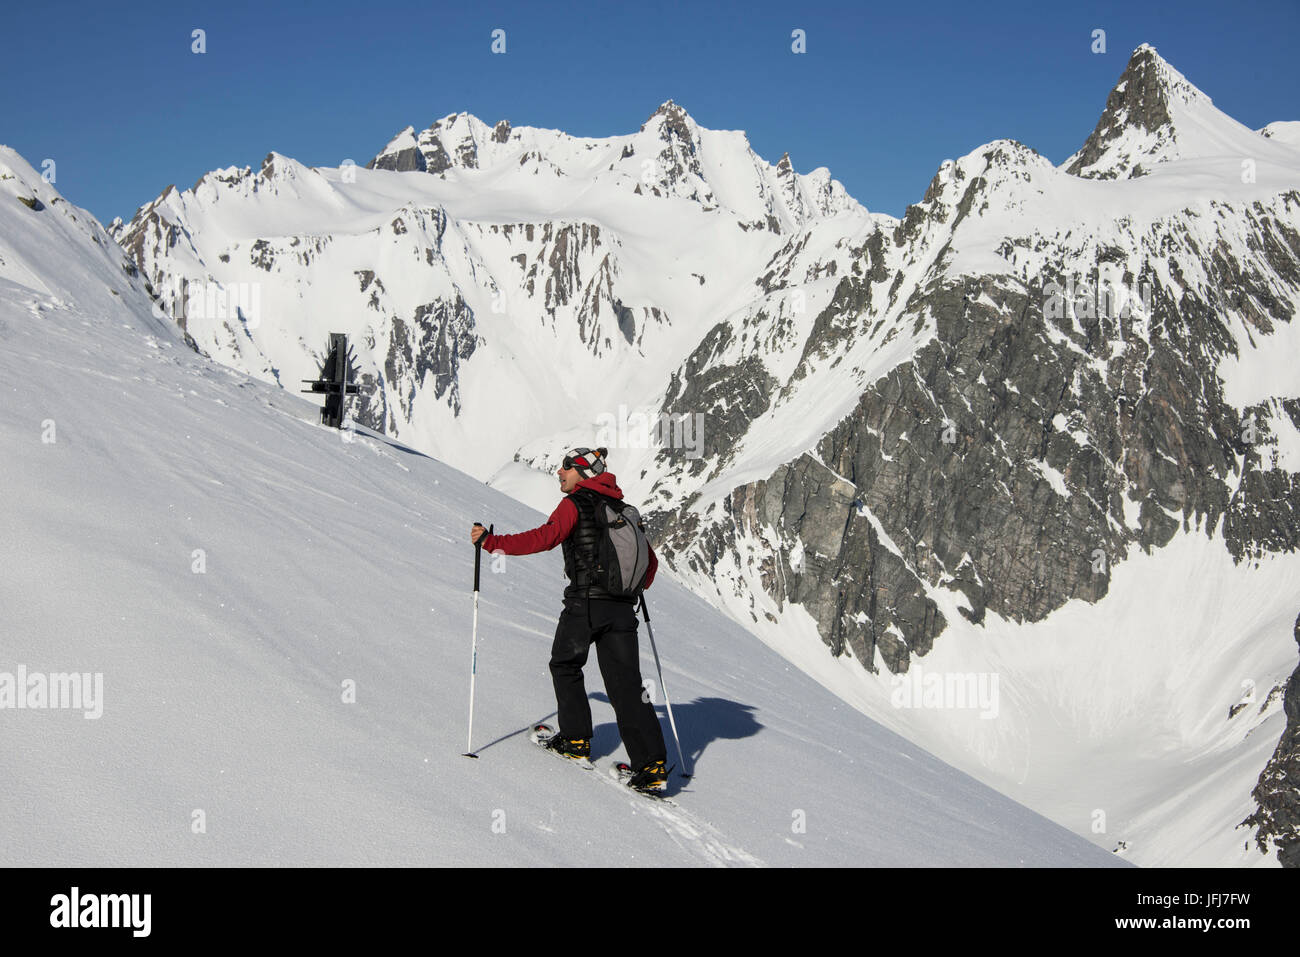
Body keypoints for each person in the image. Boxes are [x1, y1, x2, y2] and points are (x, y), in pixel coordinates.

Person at [470, 447, 669, 793]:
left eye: (567, 468)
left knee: (564, 664)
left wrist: (492, 543)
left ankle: (576, 741)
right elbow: (648, 569)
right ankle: (651, 767)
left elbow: (544, 538)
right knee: (626, 687)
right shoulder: (625, 510)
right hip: (623, 611)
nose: (560, 473)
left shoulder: (575, 504)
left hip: (585, 605)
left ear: (582, 474)